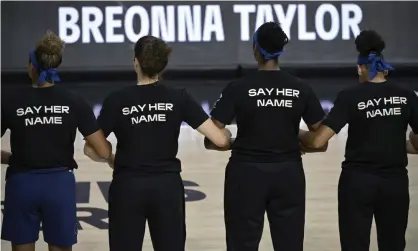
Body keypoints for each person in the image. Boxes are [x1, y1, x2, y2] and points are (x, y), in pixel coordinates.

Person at [83, 35, 231, 251]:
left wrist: (110, 158)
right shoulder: (179, 97)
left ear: (136, 62)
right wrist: (226, 133)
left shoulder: (117, 99)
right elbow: (219, 139)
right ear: (163, 65)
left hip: (127, 187)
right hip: (166, 188)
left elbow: (91, 149)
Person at [205, 22, 326, 251]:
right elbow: (321, 140)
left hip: (246, 174)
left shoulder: (238, 87)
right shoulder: (300, 88)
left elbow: (212, 135)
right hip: (288, 174)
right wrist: (291, 135)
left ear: (255, 49)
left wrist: (230, 140)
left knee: (242, 244)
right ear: (281, 50)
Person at [299, 30, 418, 251]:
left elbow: (317, 141)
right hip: (395, 183)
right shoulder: (408, 96)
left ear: (360, 67)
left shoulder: (350, 96)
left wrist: (294, 133)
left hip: (357, 184)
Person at [0, 31, 112, 251]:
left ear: (32, 67)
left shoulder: (11, 101)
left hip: (22, 184)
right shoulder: (74, 101)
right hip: (59, 185)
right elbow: (103, 150)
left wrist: (7, 157)